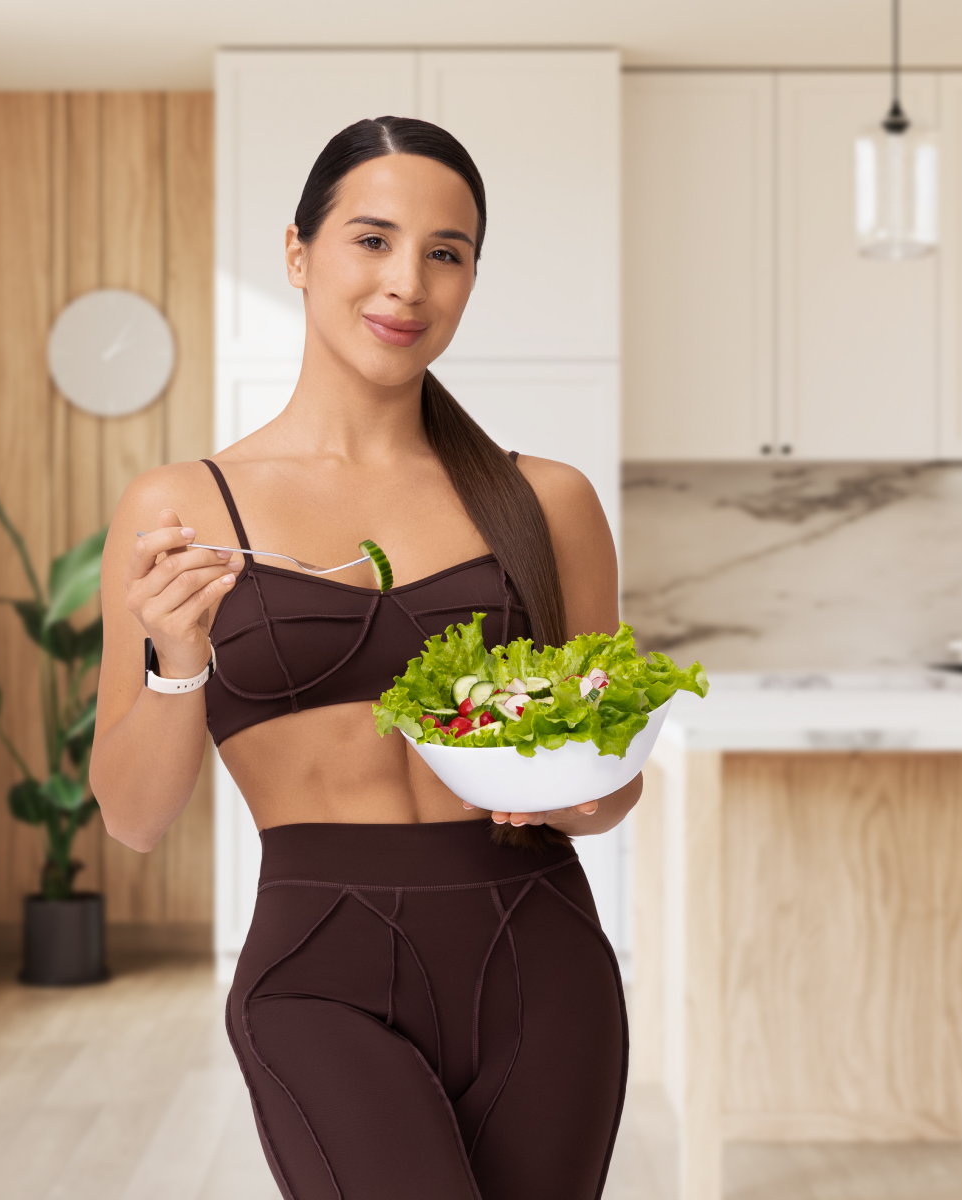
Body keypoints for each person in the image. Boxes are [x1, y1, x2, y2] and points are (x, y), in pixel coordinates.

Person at [91, 116, 633, 1200]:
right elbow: (134, 819)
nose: (408, 284)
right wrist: (177, 657)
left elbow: (609, 795)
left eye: (446, 254)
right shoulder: (183, 510)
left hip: (543, 957)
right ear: (298, 253)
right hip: (317, 971)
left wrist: (557, 784)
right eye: (372, 240)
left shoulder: (549, 501)